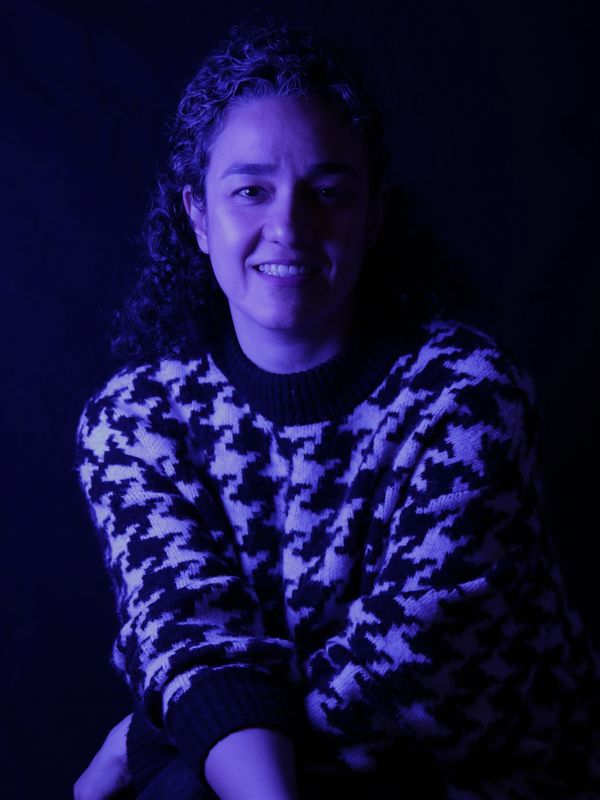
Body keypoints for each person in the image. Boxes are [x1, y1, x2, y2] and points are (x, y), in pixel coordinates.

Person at [73, 21, 600, 800]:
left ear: (375, 211)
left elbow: (400, 675)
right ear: (196, 213)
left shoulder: (469, 399)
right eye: (250, 189)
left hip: (475, 779)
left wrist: (158, 731)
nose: (289, 227)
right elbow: (192, 642)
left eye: (329, 192)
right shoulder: (136, 422)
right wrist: (203, 714)